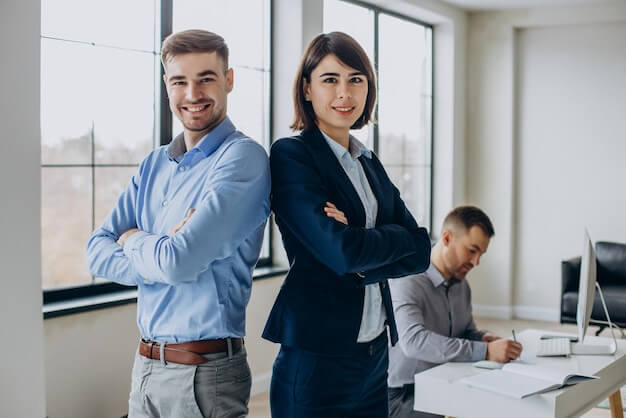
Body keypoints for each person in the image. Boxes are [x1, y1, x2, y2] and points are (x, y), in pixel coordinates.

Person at [85, 29, 270, 418]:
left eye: (206, 78)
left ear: (229, 80)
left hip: (205, 375)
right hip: (145, 368)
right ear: (166, 85)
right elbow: (97, 251)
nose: (192, 94)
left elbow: (178, 263)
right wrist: (163, 252)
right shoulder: (153, 164)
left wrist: (134, 238)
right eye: (179, 81)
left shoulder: (243, 159)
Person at [262, 31, 432, 417]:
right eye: (330, 80)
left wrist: (362, 241)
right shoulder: (293, 155)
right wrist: (379, 241)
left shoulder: (369, 162)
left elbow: (421, 249)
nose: (345, 93)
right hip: (316, 357)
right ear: (307, 89)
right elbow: (341, 253)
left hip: (374, 357)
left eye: (356, 79)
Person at [387, 205, 523, 418]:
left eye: (481, 254)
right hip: (403, 393)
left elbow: (466, 331)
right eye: (472, 250)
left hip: (443, 378)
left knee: (500, 403)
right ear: (447, 238)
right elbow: (413, 341)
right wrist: (485, 352)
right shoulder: (409, 279)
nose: (476, 262)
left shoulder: (461, 285)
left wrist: (484, 339)